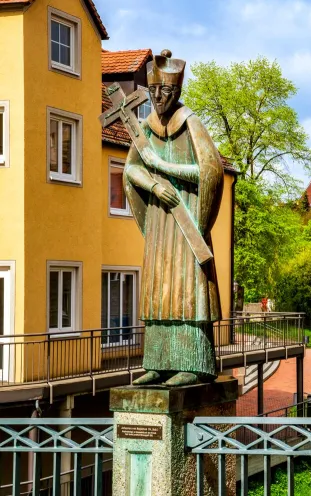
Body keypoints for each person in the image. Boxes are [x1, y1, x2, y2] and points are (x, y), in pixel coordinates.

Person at [123, 50, 224, 387]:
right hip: (160, 222)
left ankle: (193, 363)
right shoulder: (147, 129)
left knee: (187, 288)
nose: (158, 99)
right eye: (153, 93)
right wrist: (154, 185)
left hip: (186, 222)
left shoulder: (190, 122)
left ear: (176, 92)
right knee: (159, 289)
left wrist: (165, 168)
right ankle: (157, 362)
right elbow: (130, 171)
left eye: (165, 93)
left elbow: (211, 170)